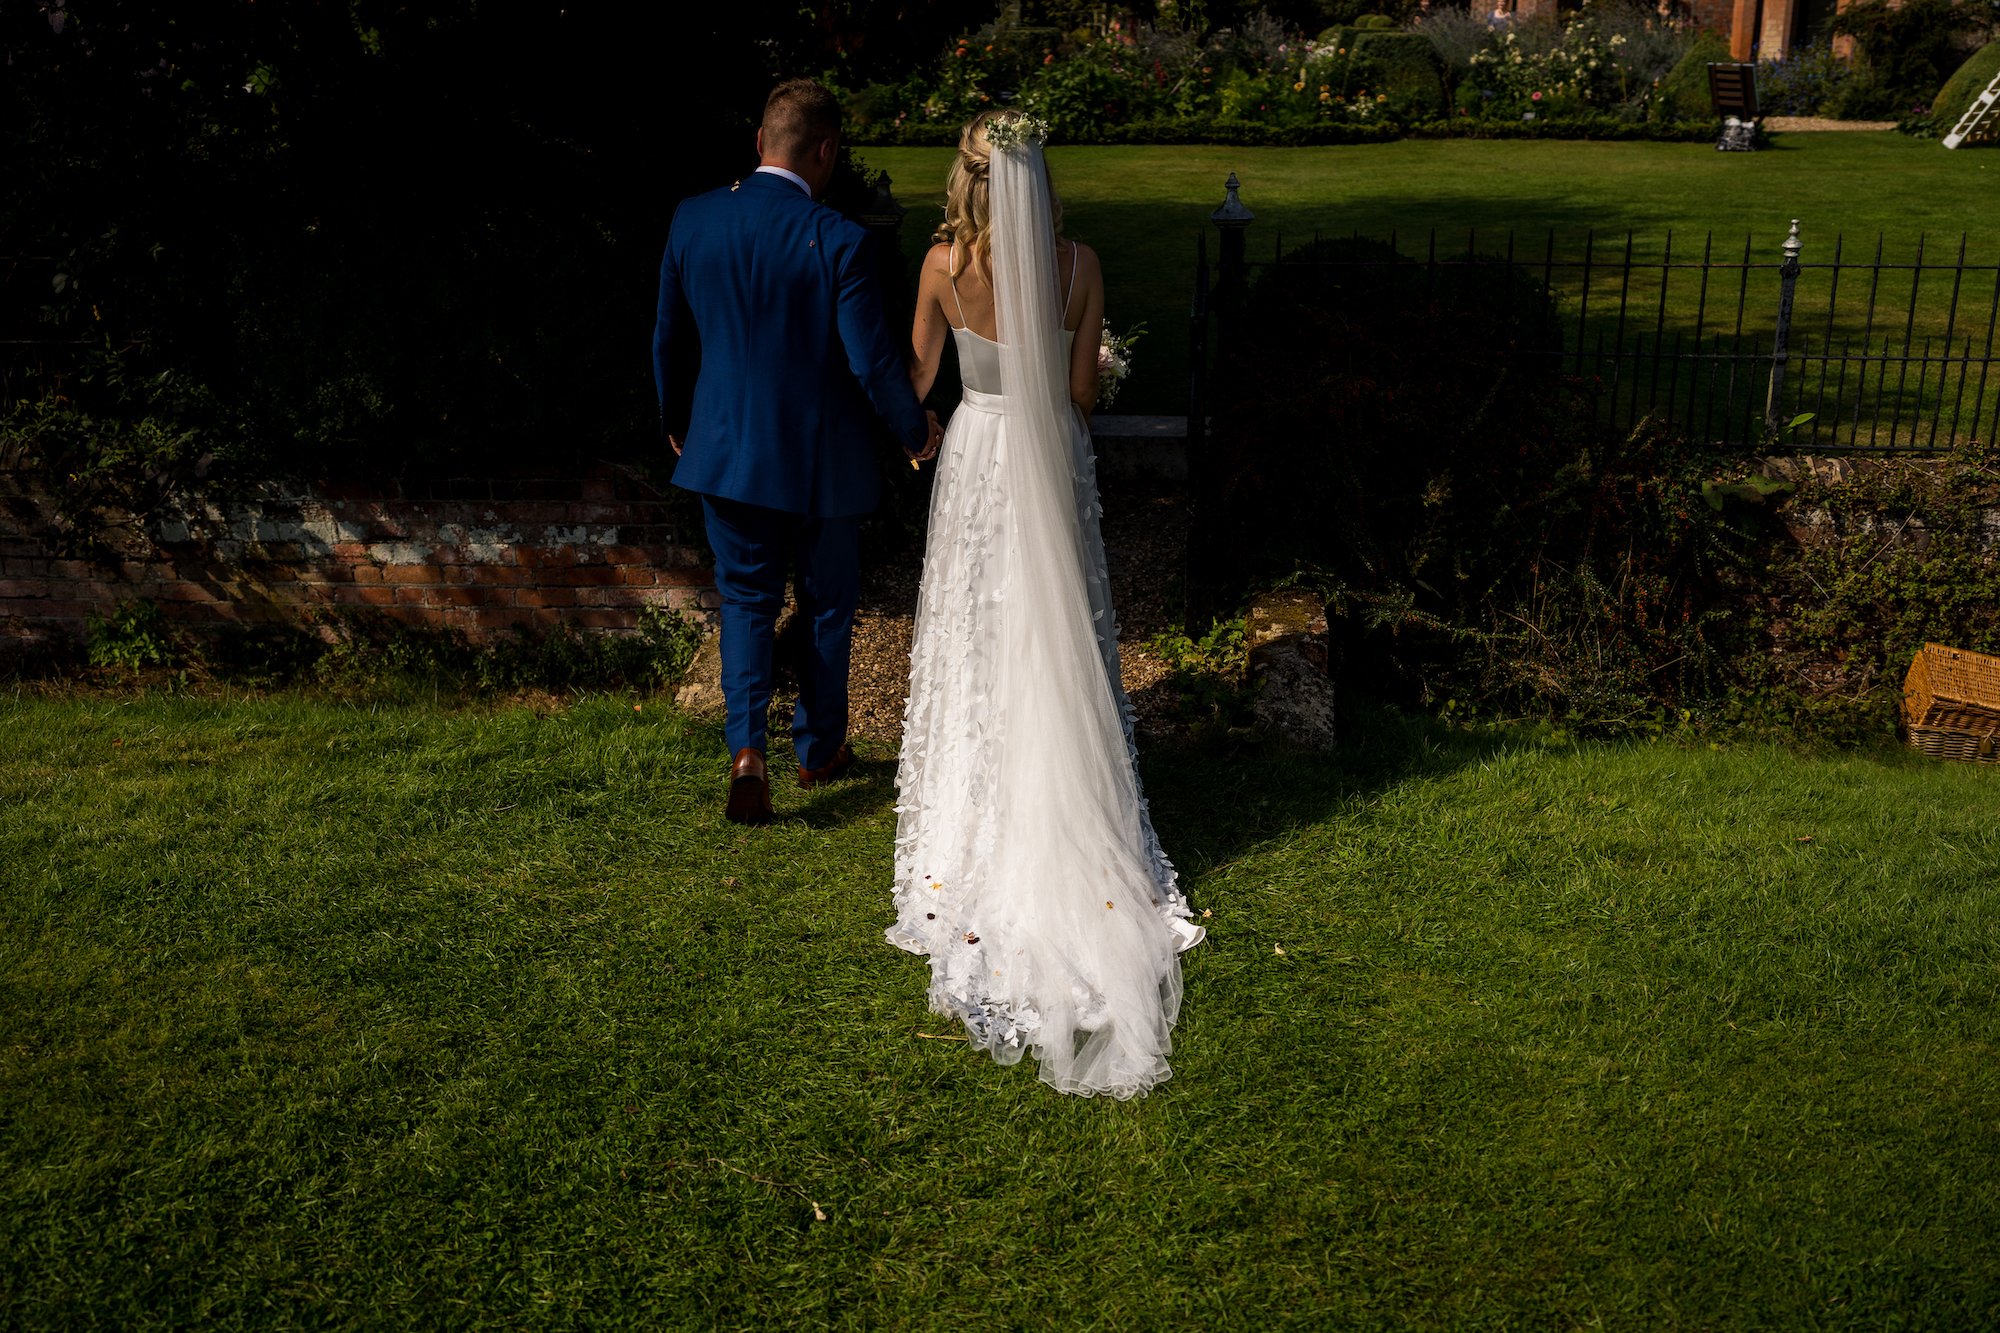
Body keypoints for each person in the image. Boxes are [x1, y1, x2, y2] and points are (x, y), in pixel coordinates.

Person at [887, 110, 1203, 1100]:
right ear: (1037, 178)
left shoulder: (941, 265)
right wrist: (1079, 365)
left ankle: (975, 802)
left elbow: (920, 377)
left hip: (978, 456)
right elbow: (1076, 393)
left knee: (977, 634)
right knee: (1056, 630)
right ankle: (1066, 792)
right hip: (1049, 460)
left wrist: (911, 418)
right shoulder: (1078, 266)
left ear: (966, 179)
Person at [653, 79, 943, 824]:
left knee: (746, 600)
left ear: (759, 142)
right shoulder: (841, 239)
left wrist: (676, 418)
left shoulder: (694, 218)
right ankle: (818, 750)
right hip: (823, 462)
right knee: (824, 606)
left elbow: (669, 339)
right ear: (825, 150)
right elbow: (872, 362)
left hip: (725, 450)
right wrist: (915, 432)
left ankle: (747, 750)